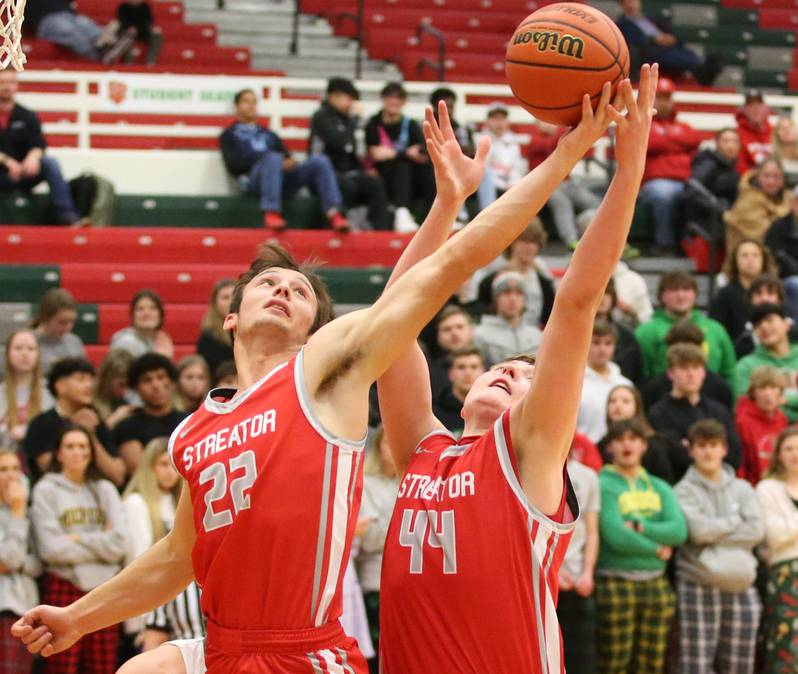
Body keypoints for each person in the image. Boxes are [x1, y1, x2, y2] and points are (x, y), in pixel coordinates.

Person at [10, 73, 618, 674]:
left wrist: (554, 159)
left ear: (316, 327)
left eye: (299, 291)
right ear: (230, 316)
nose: (281, 289)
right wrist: (81, 618)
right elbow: (178, 555)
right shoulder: (193, 430)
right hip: (222, 648)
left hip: (303, 651)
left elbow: (446, 267)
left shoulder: (322, 374)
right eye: (266, 283)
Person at [375, 68, 660, 673]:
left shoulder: (529, 450)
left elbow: (577, 299)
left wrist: (629, 170)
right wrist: (447, 204)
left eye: (525, 375)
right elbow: (391, 321)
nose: (508, 370)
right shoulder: (421, 451)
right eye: (501, 364)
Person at [30, 425, 127, 674]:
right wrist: (99, 540)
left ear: (91, 453)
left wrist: (75, 538)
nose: (77, 452)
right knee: (62, 665)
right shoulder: (46, 490)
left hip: (104, 589)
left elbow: (118, 544)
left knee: (103, 668)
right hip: (64, 585)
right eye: (70, 446)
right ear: (59, 453)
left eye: (83, 446)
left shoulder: (105, 489)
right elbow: (51, 550)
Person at [595, 419, 688, 674]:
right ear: (610, 447)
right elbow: (614, 535)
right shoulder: (602, 484)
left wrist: (639, 527)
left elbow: (678, 531)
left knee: (652, 664)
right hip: (615, 581)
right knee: (614, 663)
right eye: (620, 439)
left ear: (644, 446)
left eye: (633, 439)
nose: (627, 444)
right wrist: (656, 549)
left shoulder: (660, 487)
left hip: (657, 584)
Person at [673, 419, 764, 674]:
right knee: (696, 664)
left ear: (724, 448)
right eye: (701, 446)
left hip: (742, 585)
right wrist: (736, 520)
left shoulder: (743, 488)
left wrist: (716, 528)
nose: (708, 452)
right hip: (698, 583)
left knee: (740, 665)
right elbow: (699, 532)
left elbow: (756, 531)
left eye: (713, 445)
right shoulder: (682, 490)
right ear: (690, 450)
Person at [220, 89, 350, 232]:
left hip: (281, 178)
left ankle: (334, 213)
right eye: (246, 102)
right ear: (237, 106)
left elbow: (286, 155)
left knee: (319, 161)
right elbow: (234, 165)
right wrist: (266, 158)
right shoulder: (229, 135)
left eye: (254, 102)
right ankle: (271, 213)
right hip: (254, 180)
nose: (251, 106)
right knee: (272, 157)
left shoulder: (268, 133)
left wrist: (289, 162)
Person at [122, 439, 203, 652]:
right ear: (149, 468)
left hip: (174, 594)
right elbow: (138, 560)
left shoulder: (181, 500)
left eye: (173, 465)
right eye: (163, 464)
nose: (170, 472)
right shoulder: (136, 503)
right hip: (145, 603)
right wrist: (143, 623)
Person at [0, 71, 85, 226]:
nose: (7, 87)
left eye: (11, 82)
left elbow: (39, 144)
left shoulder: (27, 115)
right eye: (3, 82)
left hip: (24, 172)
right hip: (2, 173)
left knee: (50, 163)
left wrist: (32, 158)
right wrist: (6, 161)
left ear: (16, 86)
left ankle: (67, 216)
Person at [23, 358, 124, 486]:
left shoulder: (95, 421)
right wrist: (77, 430)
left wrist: (90, 435)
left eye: (91, 379)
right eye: (81, 379)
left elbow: (118, 476)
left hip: (93, 495)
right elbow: (49, 470)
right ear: (60, 386)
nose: (89, 385)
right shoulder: (42, 423)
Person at [648, 343, 742, 480]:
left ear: (704, 373)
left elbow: (735, 455)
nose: (691, 374)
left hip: (722, 482)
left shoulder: (719, 411)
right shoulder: (658, 413)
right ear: (670, 373)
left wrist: (689, 447)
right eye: (684, 368)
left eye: (696, 367)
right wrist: (714, 452)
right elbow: (674, 459)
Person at [309, 78, 390, 231]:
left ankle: (380, 230)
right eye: (349, 98)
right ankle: (333, 230)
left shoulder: (347, 120)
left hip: (347, 171)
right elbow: (339, 142)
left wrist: (365, 170)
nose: (351, 103)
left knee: (374, 183)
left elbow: (353, 151)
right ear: (333, 96)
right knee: (346, 185)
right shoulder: (321, 117)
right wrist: (354, 120)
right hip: (323, 173)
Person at [638, 76, 704, 253]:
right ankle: (664, 243)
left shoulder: (683, 125)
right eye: (659, 97)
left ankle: (690, 245)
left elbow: (695, 139)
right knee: (664, 194)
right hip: (654, 183)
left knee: (702, 195)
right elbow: (649, 143)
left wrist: (666, 139)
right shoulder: (641, 123)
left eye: (667, 98)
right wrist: (678, 142)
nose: (664, 102)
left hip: (686, 180)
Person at [635, 270, 736, 383]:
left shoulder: (716, 329)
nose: (680, 295)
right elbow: (641, 374)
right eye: (673, 290)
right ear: (662, 296)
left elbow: (729, 372)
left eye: (686, 289)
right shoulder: (646, 332)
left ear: (695, 294)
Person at [755, 427, 798, 673]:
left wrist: (791, 526)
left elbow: (786, 531)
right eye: (789, 449)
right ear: (779, 455)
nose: (796, 454)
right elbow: (774, 537)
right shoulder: (767, 488)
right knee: (786, 644)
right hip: (786, 573)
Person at [365, 82, 434, 232]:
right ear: (382, 99)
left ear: (403, 102)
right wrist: (405, 153)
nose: (394, 101)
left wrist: (392, 153)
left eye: (398, 98)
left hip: (409, 174)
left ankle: (436, 218)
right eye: (390, 97)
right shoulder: (373, 123)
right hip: (382, 173)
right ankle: (401, 214)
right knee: (402, 166)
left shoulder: (410, 124)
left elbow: (422, 152)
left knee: (428, 169)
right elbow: (376, 154)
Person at [356, 428, 398, 673]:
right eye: (386, 444)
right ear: (378, 448)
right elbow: (368, 538)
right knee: (379, 658)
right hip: (375, 584)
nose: (391, 451)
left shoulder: (410, 479)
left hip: (408, 583)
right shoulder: (366, 483)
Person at [468, 219, 556, 328]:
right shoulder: (489, 282)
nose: (530, 247)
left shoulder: (544, 283)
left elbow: (549, 317)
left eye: (534, 242)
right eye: (524, 241)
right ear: (512, 242)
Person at [557, 455, 600, 674]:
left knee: (582, 661)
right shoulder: (528, 467)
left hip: (579, 581)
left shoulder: (587, 475)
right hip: (545, 582)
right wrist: (553, 570)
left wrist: (588, 573)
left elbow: (592, 531)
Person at [527, 121, 600, 249]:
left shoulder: (558, 137)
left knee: (593, 201)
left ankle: (597, 232)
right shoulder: (535, 139)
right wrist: (567, 130)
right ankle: (571, 240)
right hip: (544, 185)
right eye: (543, 122)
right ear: (537, 125)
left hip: (566, 182)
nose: (549, 124)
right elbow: (552, 147)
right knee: (561, 202)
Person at [0, 448, 40, 674]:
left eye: (15, 469)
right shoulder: (20, 510)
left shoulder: (28, 511)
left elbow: (40, 562)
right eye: (3, 469)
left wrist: (16, 564)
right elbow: (10, 557)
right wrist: (17, 511)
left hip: (25, 607)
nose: (11, 475)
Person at [113, 353, 187, 474]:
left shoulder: (188, 421)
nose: (156, 385)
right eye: (147, 380)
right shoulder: (127, 427)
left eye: (161, 377)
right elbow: (139, 471)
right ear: (136, 388)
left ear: (172, 382)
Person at [616, 0, 720, 84]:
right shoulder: (623, 24)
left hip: (669, 46)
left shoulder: (651, 19)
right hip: (650, 51)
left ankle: (701, 65)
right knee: (674, 56)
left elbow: (669, 32)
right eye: (627, 2)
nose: (631, 5)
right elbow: (630, 40)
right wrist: (654, 39)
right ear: (622, 5)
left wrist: (670, 38)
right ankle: (699, 65)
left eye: (633, 1)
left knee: (682, 52)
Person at [641, 320, 733, 411]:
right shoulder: (654, 389)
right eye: (679, 349)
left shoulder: (719, 388)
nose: (686, 353)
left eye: (691, 348)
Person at [733, 302, 798, 423]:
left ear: (786, 324)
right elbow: (748, 409)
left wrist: (788, 400)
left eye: (769, 320)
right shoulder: (746, 366)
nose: (764, 326)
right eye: (758, 324)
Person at [605, 383, 675, 483]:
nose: (618, 405)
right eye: (612, 401)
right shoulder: (601, 443)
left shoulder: (654, 443)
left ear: (637, 407)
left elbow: (665, 481)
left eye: (625, 401)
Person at [577, 319, 633, 442]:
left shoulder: (625, 385)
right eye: (596, 343)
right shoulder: (575, 383)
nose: (602, 349)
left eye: (608, 343)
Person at [473, 271, 543, 366]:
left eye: (518, 293)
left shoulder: (537, 336)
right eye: (506, 293)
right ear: (496, 299)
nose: (513, 298)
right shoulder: (480, 335)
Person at [710, 238, 777, 339]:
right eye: (744, 255)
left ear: (763, 260)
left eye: (755, 255)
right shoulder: (725, 295)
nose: (750, 260)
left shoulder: (774, 291)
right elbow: (716, 330)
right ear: (735, 261)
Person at [0, 329, 54, 453]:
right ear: (7, 353)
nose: (24, 353)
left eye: (30, 349)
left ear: (38, 354)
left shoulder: (50, 391)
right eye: (18, 348)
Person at [735, 365, 788, 486]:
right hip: (754, 487)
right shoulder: (743, 421)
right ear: (753, 392)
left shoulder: (781, 418)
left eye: (773, 387)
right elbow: (741, 464)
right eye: (762, 388)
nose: (767, 394)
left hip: (780, 485)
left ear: (780, 391)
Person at [724, 158, 792, 251]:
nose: (771, 181)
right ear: (757, 177)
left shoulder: (789, 199)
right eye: (766, 176)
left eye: (776, 176)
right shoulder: (747, 202)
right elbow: (769, 237)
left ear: (783, 179)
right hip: (749, 260)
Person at [684, 127, 741, 232]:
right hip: (705, 220)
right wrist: (721, 210)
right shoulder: (707, 164)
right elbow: (692, 191)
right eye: (726, 141)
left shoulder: (733, 167)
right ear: (717, 143)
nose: (731, 145)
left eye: (735, 141)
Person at [25, 0, 117, 61]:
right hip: (44, 20)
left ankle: (109, 42)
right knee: (66, 29)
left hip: (68, 15)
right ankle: (97, 55)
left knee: (85, 23)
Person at [476, 102, 525, 211]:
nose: (499, 123)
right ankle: (487, 214)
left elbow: (516, 168)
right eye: (495, 118)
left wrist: (512, 184)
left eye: (502, 118)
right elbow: (483, 169)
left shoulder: (512, 141)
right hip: (490, 185)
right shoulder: (481, 138)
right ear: (488, 121)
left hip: (508, 185)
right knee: (486, 175)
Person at [595, 279, 643, 385]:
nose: (602, 298)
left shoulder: (627, 337)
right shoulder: (569, 335)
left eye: (607, 292)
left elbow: (637, 375)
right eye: (596, 292)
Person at [765, 184, 798, 322]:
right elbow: (774, 253)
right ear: (793, 202)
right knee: (796, 284)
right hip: (784, 277)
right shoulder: (779, 226)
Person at [32, 289, 86, 377]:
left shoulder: (75, 342)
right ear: (45, 319)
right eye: (62, 322)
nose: (68, 327)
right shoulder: (28, 342)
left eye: (71, 321)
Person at [431, 346, 485, 434]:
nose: (468, 373)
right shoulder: (435, 414)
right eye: (461, 367)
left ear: (483, 372)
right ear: (451, 374)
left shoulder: (493, 411)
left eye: (474, 367)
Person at [425, 304, 476, 397]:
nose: (454, 333)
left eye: (459, 327)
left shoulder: (491, 368)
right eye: (447, 329)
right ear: (438, 337)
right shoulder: (428, 375)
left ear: (472, 330)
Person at [110, 290, 174, 361]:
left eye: (153, 308)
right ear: (132, 316)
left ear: (160, 315)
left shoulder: (160, 340)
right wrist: (160, 359)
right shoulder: (126, 342)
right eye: (140, 309)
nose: (146, 313)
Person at [196, 279, 235, 376]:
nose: (231, 301)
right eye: (225, 297)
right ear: (215, 303)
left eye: (235, 296)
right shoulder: (208, 338)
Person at [92, 349, 135, 430]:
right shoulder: (87, 399)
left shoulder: (123, 401)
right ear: (108, 377)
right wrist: (113, 420)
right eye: (121, 385)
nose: (124, 392)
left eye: (128, 386)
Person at [113, 0, 163, 65]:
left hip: (143, 31)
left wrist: (152, 28)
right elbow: (121, 21)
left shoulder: (145, 6)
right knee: (126, 36)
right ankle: (129, 61)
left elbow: (150, 20)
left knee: (157, 35)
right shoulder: (123, 7)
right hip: (128, 31)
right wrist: (129, 27)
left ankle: (150, 61)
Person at [736, 89, 773, 175]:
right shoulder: (736, 135)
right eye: (750, 105)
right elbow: (739, 167)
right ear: (744, 109)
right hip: (748, 181)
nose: (755, 108)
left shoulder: (776, 133)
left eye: (759, 104)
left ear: (766, 108)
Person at [772, 115, 798, 186]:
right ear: (777, 134)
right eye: (782, 128)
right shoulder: (772, 158)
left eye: (790, 127)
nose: (787, 131)